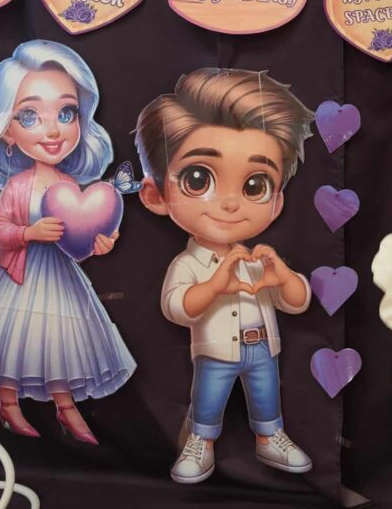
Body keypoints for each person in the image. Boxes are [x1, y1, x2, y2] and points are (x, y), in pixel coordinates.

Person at [134, 68, 315, 484]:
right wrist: (216, 286)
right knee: (208, 399)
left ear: (276, 202)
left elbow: (297, 301)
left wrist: (283, 277)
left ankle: (269, 437)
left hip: (263, 347)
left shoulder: (257, 259)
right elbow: (177, 308)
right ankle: (200, 442)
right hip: (214, 352)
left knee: (267, 396)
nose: (231, 203)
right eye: (199, 179)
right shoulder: (189, 263)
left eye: (255, 185)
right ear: (156, 195)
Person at [0, 39, 135, 444]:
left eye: (66, 113)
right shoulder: (18, 185)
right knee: (8, 339)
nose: (53, 130)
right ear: (7, 130)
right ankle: (8, 403)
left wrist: (98, 244)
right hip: (13, 277)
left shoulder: (70, 183)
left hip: (59, 278)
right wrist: (28, 233)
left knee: (58, 341)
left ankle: (65, 407)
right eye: (30, 116)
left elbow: (75, 240)